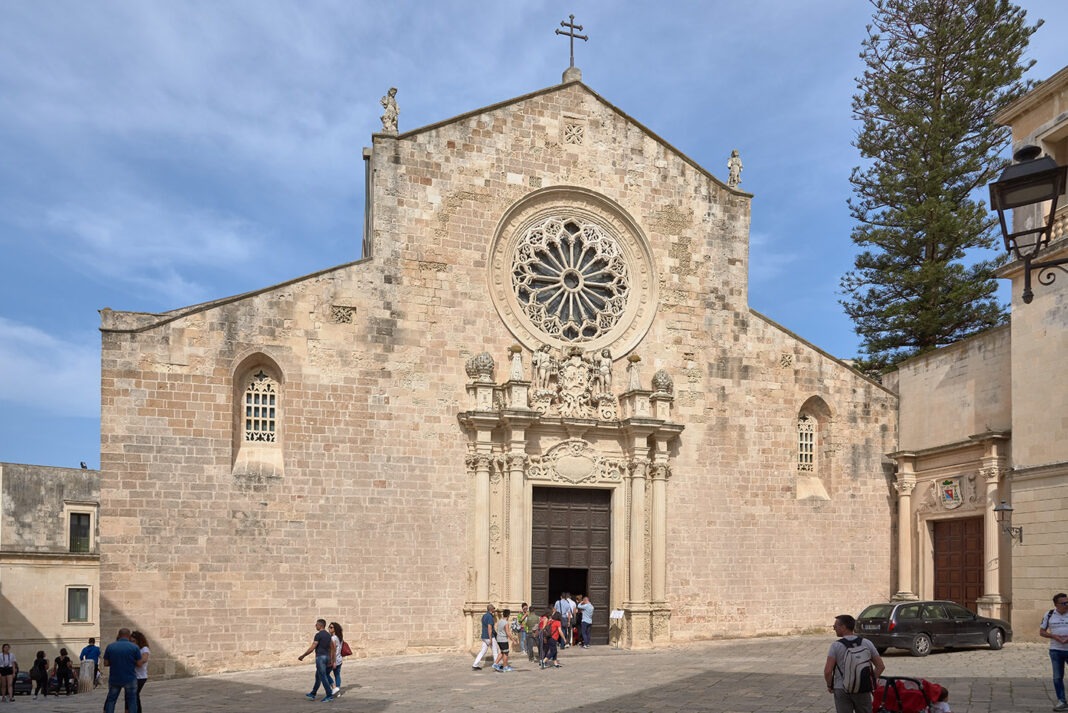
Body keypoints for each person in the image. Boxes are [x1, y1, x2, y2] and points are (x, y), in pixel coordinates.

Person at [824, 614, 884, 713]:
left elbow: (828, 671)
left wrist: (830, 685)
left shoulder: (836, 646)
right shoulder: (867, 643)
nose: (834, 629)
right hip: (862, 688)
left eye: (835, 626)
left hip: (842, 688)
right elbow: (880, 666)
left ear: (843, 627)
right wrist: (869, 680)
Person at [102, 628, 146, 713]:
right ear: (129, 636)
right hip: (130, 678)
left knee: (111, 699)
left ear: (119, 635)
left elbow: (106, 663)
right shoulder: (134, 647)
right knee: (132, 700)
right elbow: (139, 664)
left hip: (115, 677)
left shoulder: (110, 646)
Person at [1041, 592, 1068, 710]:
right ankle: (1061, 701)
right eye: (1063, 603)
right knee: (1057, 677)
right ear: (1056, 605)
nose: (1066, 605)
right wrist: (1054, 637)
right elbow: (1042, 632)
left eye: (1067, 602)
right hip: (1056, 650)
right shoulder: (1049, 614)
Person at [298, 618, 335, 702]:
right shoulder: (328, 635)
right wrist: (332, 659)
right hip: (327, 657)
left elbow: (312, 647)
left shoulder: (318, 635)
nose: (315, 626)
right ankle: (313, 693)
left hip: (320, 658)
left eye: (316, 625)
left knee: (323, 677)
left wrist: (303, 655)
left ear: (320, 625)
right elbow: (332, 648)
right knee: (318, 676)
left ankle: (329, 695)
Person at [471, 604, 500, 670]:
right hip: (489, 637)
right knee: (495, 651)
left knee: (483, 651)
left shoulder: (484, 616)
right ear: (491, 609)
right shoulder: (490, 617)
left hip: (484, 636)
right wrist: (490, 638)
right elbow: (489, 628)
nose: (494, 610)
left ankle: (475, 664)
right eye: (493, 609)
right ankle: (496, 666)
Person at [130, 630, 150, 712]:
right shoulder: (133, 649)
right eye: (131, 641)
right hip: (133, 676)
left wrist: (132, 661)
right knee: (134, 695)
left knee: (134, 695)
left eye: (134, 641)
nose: (132, 643)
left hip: (140, 677)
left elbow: (143, 660)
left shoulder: (144, 649)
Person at [327, 622, 344, 696]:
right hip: (339, 659)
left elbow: (333, 650)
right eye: (329, 627)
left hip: (334, 659)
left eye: (331, 627)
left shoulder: (333, 638)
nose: (329, 629)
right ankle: (338, 691)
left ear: (335, 629)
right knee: (337, 675)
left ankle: (334, 688)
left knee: (325, 673)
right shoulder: (340, 638)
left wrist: (333, 661)